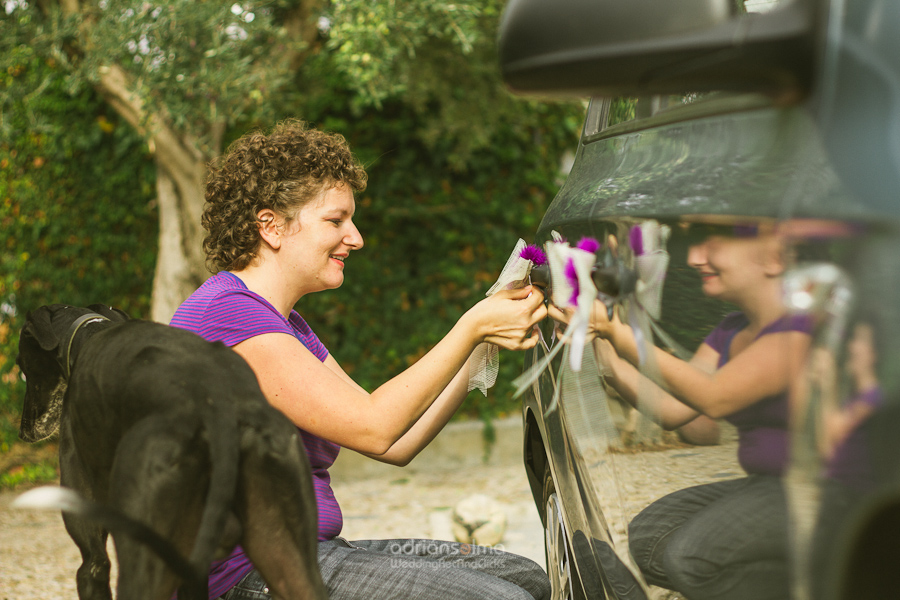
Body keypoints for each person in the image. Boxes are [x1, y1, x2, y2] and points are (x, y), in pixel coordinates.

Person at [170, 120, 550, 600]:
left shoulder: (284, 323)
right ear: (270, 226)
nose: (356, 237)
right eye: (336, 220)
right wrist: (470, 324)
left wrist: (481, 344)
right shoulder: (230, 316)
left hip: (312, 548)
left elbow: (395, 443)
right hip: (254, 575)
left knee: (525, 578)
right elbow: (376, 426)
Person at [552, 223, 811, 600]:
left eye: (713, 242)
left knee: (688, 558)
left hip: (819, 493)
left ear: (774, 256)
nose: (694, 257)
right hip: (769, 486)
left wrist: (618, 332)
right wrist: (604, 351)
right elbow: (676, 412)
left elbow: (714, 397)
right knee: (648, 538)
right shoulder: (731, 330)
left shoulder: (800, 329)